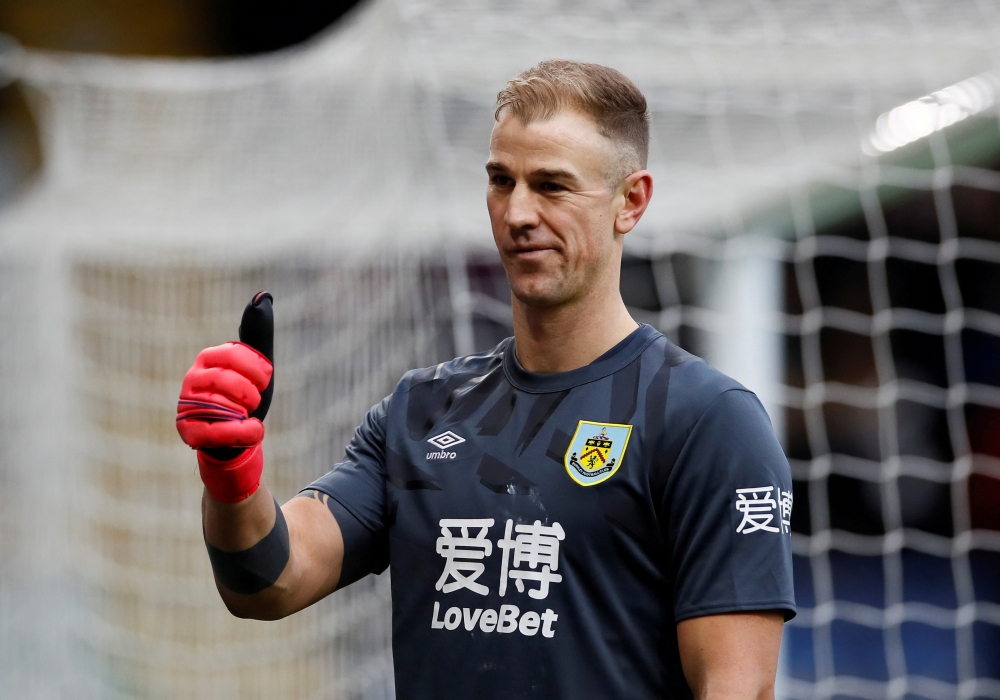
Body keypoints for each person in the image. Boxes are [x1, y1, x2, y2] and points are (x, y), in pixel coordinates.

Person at [176, 60, 795, 700]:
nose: (518, 212)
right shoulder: (421, 411)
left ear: (630, 202)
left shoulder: (707, 421)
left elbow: (738, 689)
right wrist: (231, 470)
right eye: (502, 181)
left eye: (552, 186)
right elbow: (269, 584)